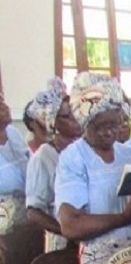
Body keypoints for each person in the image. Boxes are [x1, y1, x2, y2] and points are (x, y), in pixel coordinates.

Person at [56, 73, 131, 264]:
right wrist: (125, 217)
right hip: (103, 263)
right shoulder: (74, 158)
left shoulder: (130, 154)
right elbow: (71, 225)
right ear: (86, 122)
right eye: (100, 126)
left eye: (114, 124)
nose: (109, 132)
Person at [25, 78, 82, 251]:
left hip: (89, 234)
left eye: (75, 113)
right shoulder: (44, 157)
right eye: (66, 116)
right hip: (63, 243)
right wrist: (67, 232)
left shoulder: (82, 149)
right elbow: (34, 212)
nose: (75, 120)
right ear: (53, 122)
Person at [0, 91, 30, 235]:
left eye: (2, 100)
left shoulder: (13, 133)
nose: (5, 107)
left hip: (26, 215)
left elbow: (27, 170)